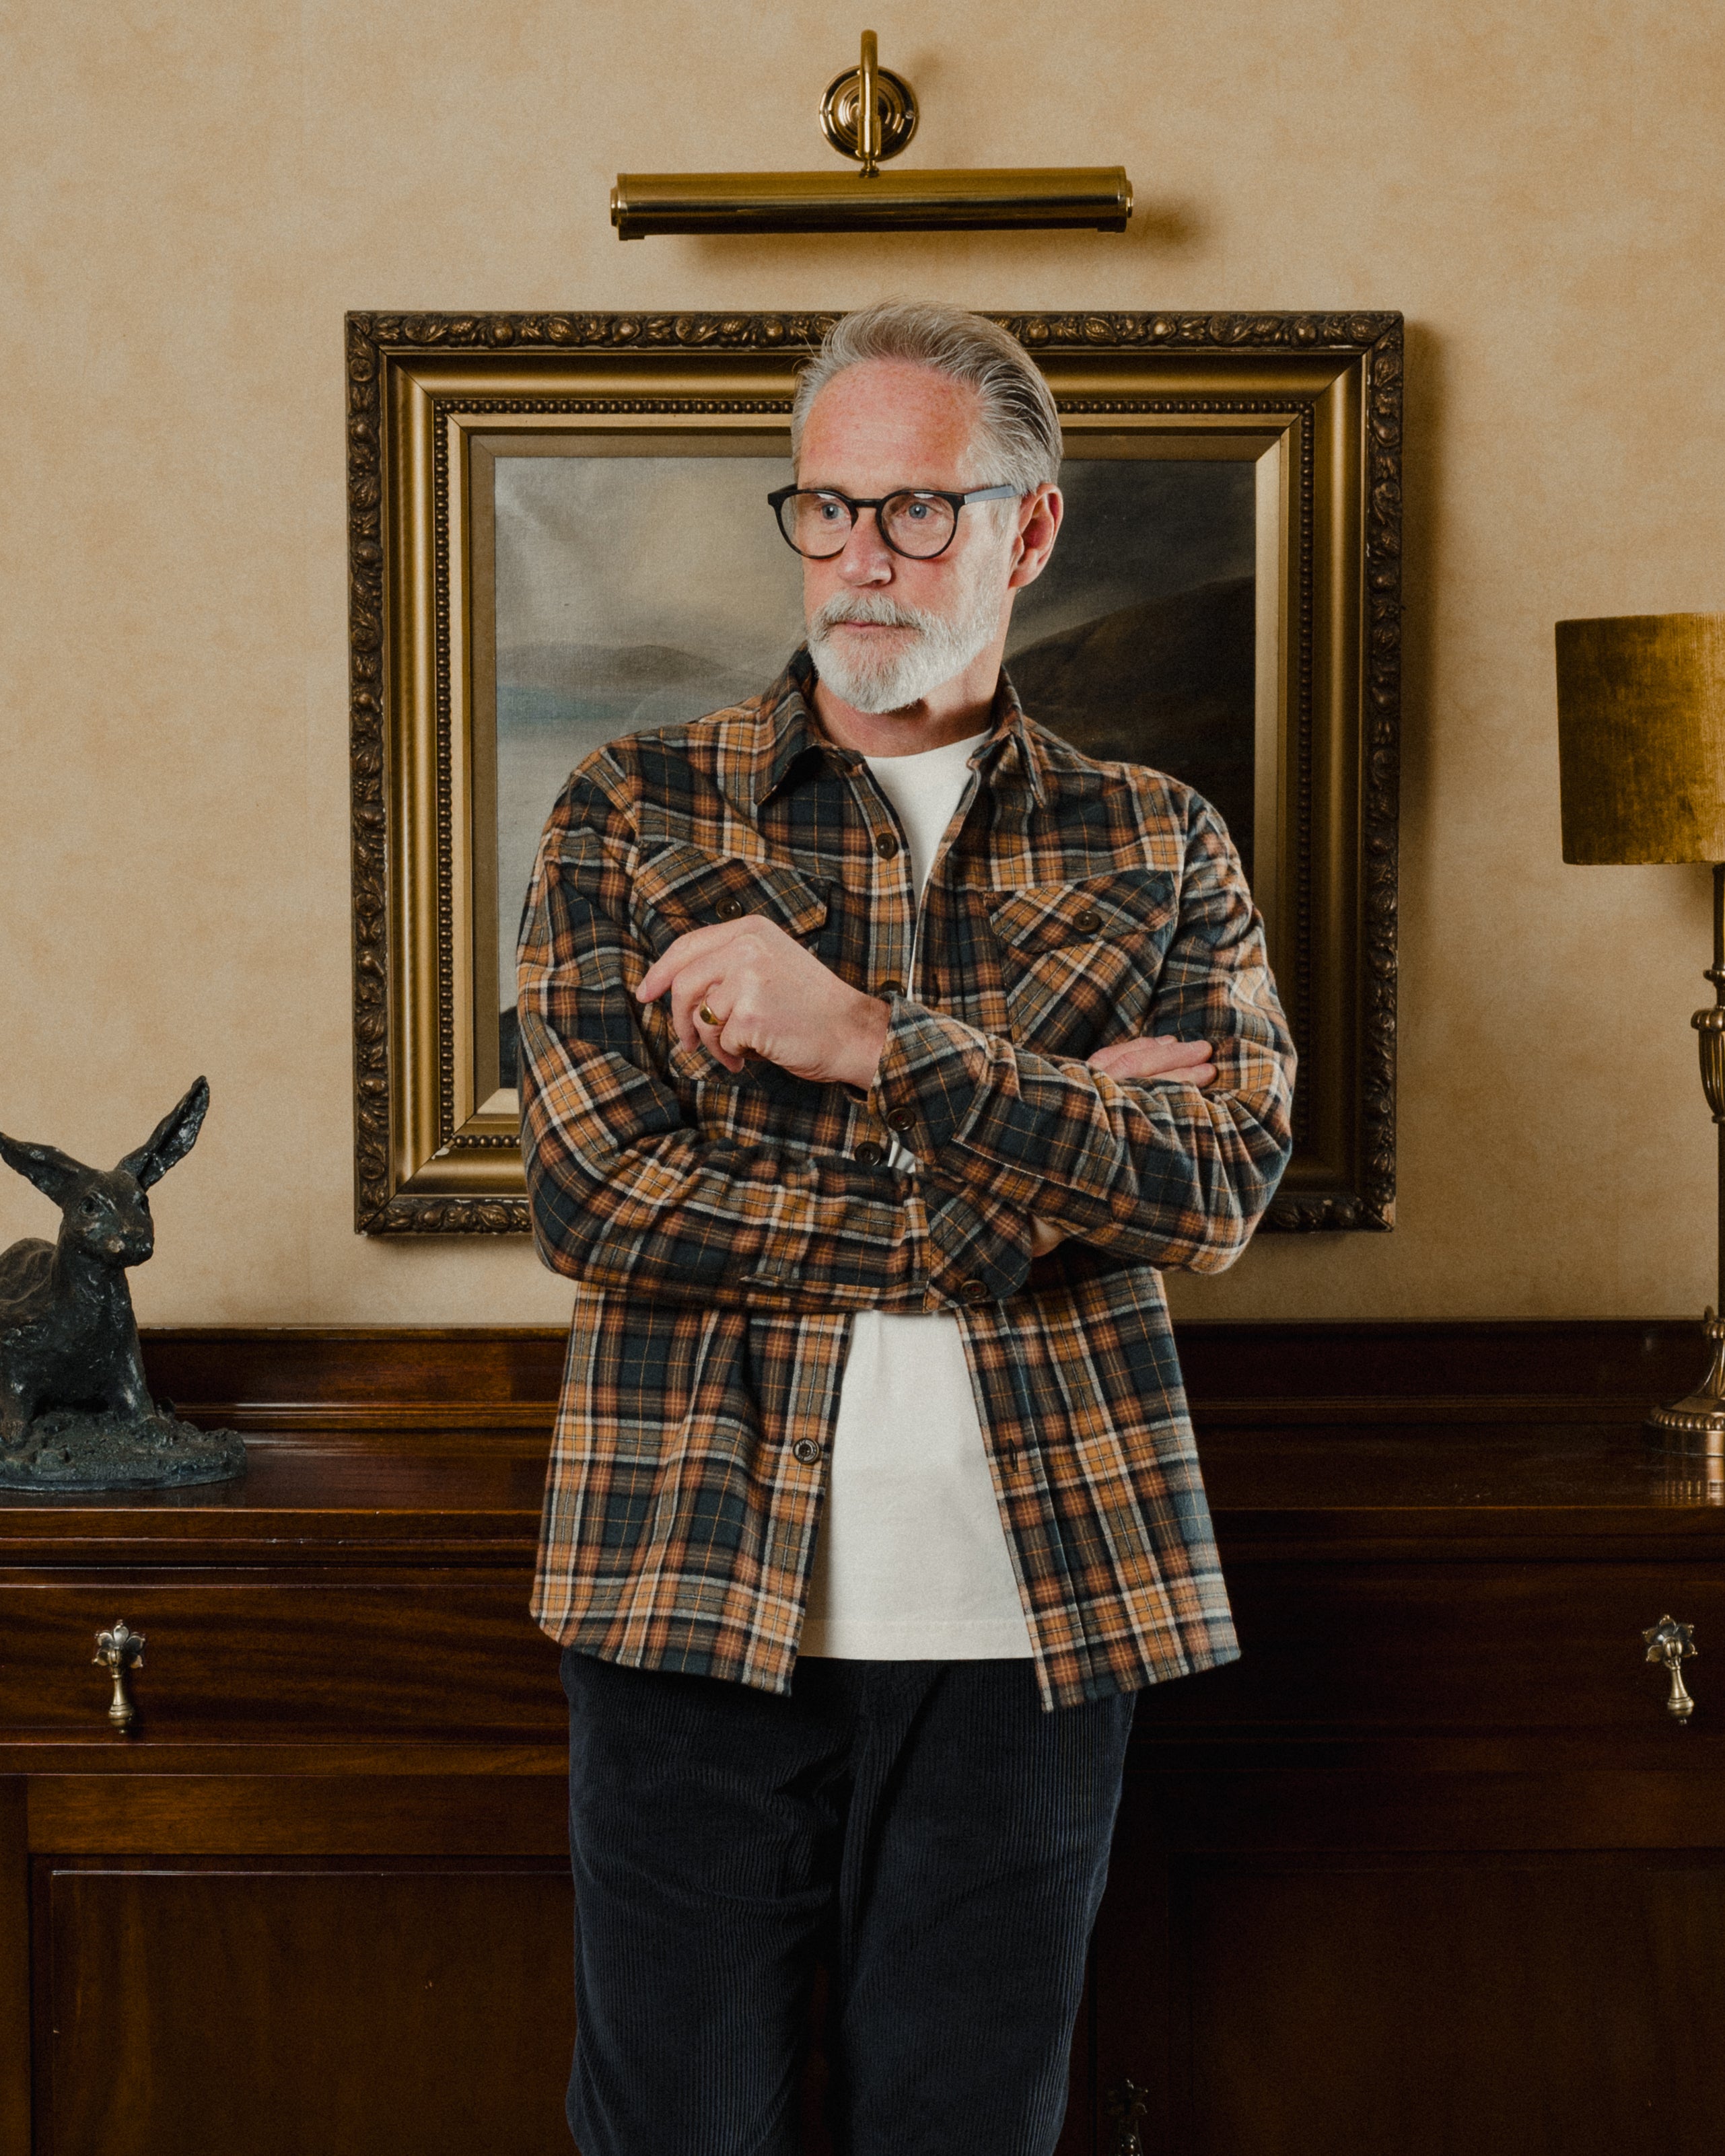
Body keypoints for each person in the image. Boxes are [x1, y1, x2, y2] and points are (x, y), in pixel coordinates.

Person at [516, 300, 1296, 2156]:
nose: (859, 554)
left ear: (1028, 529)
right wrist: (1031, 1178)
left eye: (917, 509)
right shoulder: (630, 811)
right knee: (673, 2133)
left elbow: (1215, 1183)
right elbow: (599, 1191)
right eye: (827, 507)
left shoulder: (1156, 838)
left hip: (1038, 1607)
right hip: (683, 1589)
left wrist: (863, 1042)